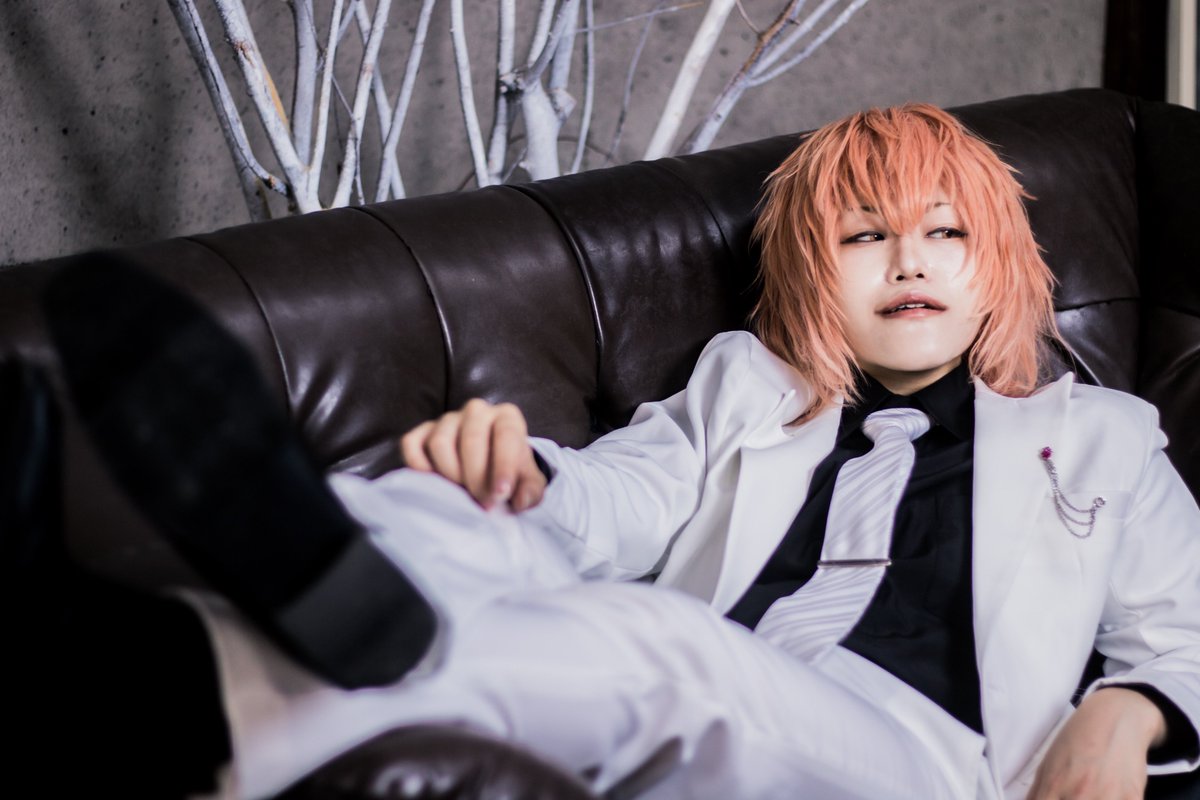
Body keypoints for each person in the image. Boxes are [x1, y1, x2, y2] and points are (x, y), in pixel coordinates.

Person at [9, 104, 1200, 800]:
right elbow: (622, 495)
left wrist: (1130, 707)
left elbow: (1188, 627)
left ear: (996, 269)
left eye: (947, 233)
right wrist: (515, 475)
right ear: (810, 276)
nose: (910, 260)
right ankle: (134, 648)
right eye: (865, 235)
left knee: (658, 647)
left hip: (923, 760)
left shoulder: (1101, 436)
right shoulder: (749, 385)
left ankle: (152, 677)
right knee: (465, 513)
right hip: (718, 691)